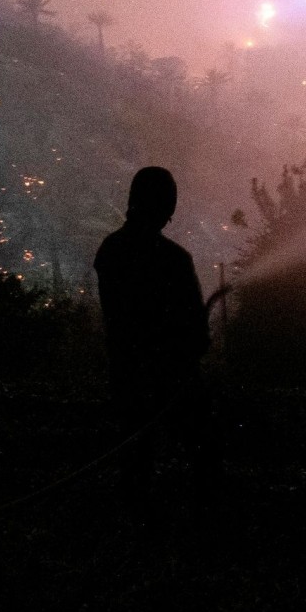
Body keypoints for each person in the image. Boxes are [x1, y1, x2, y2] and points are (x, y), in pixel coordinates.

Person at [94, 166, 218, 523]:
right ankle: (203, 522)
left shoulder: (111, 251)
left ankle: (136, 528)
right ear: (165, 205)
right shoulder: (175, 260)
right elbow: (194, 328)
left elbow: (117, 319)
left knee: (135, 455)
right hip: (172, 375)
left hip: (128, 373)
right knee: (203, 447)